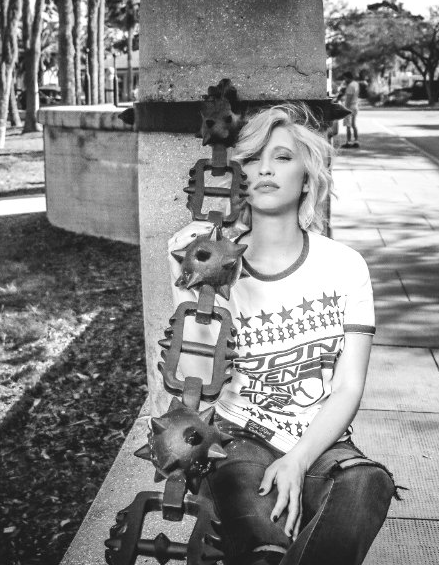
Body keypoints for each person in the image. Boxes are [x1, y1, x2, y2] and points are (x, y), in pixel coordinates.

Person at [168, 104, 398, 565]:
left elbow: (349, 386)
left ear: (308, 178)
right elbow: (191, 371)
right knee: (266, 548)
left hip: (321, 441)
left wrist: (297, 460)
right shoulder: (202, 258)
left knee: (370, 482)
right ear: (236, 176)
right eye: (252, 159)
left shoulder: (344, 265)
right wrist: (194, 263)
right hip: (236, 439)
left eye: (283, 157)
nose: (266, 168)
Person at [334, 72, 361, 148]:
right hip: (355, 106)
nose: (344, 80)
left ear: (348, 78)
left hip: (349, 108)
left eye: (345, 78)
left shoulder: (350, 86)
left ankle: (348, 142)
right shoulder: (356, 84)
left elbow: (348, 99)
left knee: (348, 126)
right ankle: (356, 141)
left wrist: (345, 110)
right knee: (353, 125)